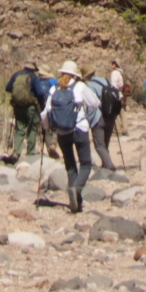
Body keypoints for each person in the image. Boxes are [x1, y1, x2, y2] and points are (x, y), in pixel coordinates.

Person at [41, 60, 101, 213]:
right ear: (75, 74)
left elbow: (45, 113)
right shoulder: (80, 86)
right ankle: (76, 189)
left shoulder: (54, 89)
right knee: (86, 163)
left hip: (62, 133)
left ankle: (75, 203)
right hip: (79, 129)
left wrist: (47, 129)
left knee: (70, 165)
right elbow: (95, 103)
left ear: (62, 73)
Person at [4, 61, 42, 160]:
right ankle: (30, 153)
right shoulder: (33, 77)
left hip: (18, 106)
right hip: (30, 107)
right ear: (33, 69)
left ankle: (16, 152)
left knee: (20, 129)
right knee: (32, 128)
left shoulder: (16, 75)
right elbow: (40, 92)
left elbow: (8, 88)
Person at [100, 62, 126, 161]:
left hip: (115, 95)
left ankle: (119, 129)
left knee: (117, 113)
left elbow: (114, 85)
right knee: (122, 112)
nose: (112, 65)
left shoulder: (115, 73)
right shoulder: (120, 73)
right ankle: (124, 128)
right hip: (120, 94)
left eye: (113, 64)